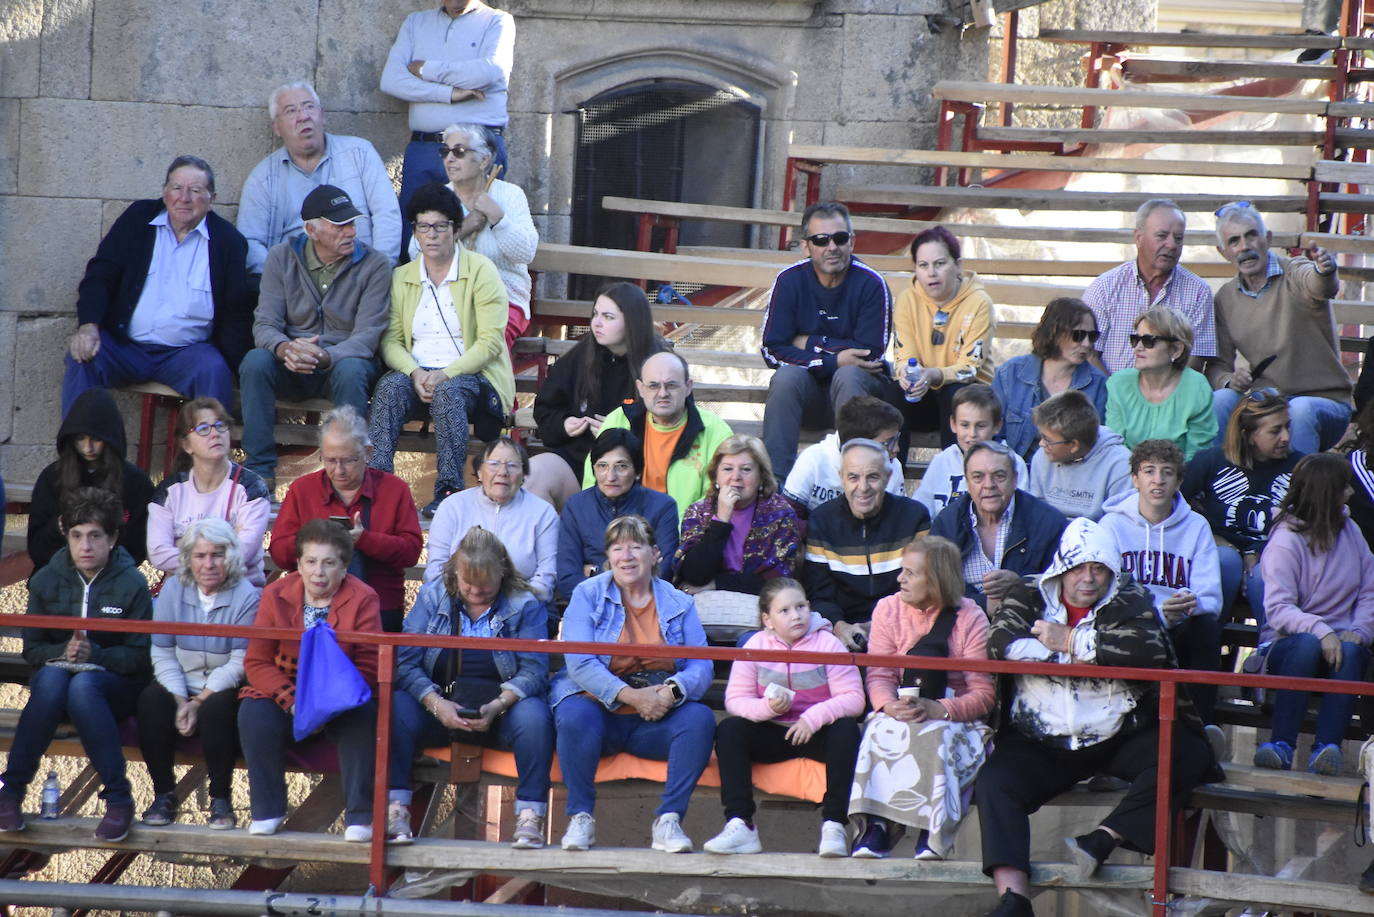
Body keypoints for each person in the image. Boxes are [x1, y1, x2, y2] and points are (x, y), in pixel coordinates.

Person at [975, 517, 1218, 917]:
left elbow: (1148, 650)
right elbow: (1000, 644)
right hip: (1041, 736)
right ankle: (1013, 898)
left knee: (1190, 752)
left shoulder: (1130, 597)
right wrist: (1072, 656)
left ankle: (1103, 838)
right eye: (1079, 568)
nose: (1089, 579)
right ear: (1062, 567)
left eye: (1099, 568)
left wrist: (1069, 639)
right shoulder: (1027, 593)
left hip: (1117, 733)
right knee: (995, 782)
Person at [550, 515, 716, 853]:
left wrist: (671, 693)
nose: (626, 556)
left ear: (655, 554)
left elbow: (702, 664)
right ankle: (580, 816)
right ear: (608, 557)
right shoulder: (587, 594)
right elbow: (579, 662)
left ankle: (669, 820)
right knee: (572, 713)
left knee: (699, 720)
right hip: (601, 713)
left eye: (635, 546)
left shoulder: (679, 602)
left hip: (656, 715)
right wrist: (632, 697)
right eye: (617, 548)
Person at [0, 489, 152, 842]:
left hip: (112, 689)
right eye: (77, 535)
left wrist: (94, 656)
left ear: (112, 538)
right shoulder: (45, 580)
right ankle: (11, 791)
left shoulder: (132, 583)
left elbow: (141, 656)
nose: (85, 546)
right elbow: (33, 649)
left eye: (95, 536)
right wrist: (61, 654)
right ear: (65, 535)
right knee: (53, 678)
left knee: (84, 685)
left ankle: (118, 798)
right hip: (56, 689)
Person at [389, 527, 554, 847]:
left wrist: (499, 704)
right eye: (468, 584)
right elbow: (405, 662)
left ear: (502, 574)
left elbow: (535, 670)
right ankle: (396, 809)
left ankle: (529, 815)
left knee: (534, 716)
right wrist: (436, 703)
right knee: (396, 707)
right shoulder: (433, 595)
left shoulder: (524, 603)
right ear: (455, 572)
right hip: (440, 702)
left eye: (486, 585)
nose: (476, 591)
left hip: (503, 709)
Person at [62, 155, 252, 417]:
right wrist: (89, 325)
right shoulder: (138, 219)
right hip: (124, 346)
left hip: (186, 355)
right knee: (82, 356)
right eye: (176, 188)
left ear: (212, 199)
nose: (184, 198)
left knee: (213, 370)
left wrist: (238, 367)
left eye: (195, 191)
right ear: (165, 193)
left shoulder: (228, 242)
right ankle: (78, 455)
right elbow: (100, 275)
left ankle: (211, 454)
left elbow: (235, 312)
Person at [368, 182, 515, 517]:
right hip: (417, 376)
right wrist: (416, 372)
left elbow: (491, 341)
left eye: (440, 226)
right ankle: (377, 483)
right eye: (423, 226)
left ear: (455, 228)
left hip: (470, 378)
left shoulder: (481, 271)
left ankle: (447, 490)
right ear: (415, 232)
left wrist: (446, 374)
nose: (431, 235)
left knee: (449, 392)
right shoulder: (402, 276)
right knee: (389, 386)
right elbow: (390, 341)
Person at [848, 537, 994, 861]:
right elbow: (879, 675)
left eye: (910, 573)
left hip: (953, 717)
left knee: (937, 734)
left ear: (936, 579)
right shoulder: (887, 609)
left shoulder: (971, 617)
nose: (900, 579)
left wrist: (940, 709)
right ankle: (878, 824)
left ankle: (934, 829)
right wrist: (888, 706)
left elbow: (984, 695)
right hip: (901, 707)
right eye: (902, 571)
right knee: (879, 729)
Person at [237, 519, 381, 840]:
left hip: (341, 694)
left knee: (365, 716)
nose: (319, 572)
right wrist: (294, 703)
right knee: (253, 712)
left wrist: (323, 706)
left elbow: (369, 667)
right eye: (311, 562)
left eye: (329, 563)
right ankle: (267, 810)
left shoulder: (364, 598)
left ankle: (359, 817)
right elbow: (257, 661)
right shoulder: (275, 594)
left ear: (344, 568)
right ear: (299, 565)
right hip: (287, 691)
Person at [238, 185, 391, 485]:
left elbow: (368, 335)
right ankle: (259, 473)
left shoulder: (375, 265)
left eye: (352, 223)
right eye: (339, 225)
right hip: (292, 363)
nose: (349, 232)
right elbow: (265, 324)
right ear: (312, 229)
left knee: (352, 369)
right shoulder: (281, 258)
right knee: (255, 362)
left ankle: (348, 475)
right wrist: (285, 349)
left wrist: (325, 356)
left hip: (343, 364)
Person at [702, 578, 863, 857]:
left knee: (847, 730)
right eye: (785, 611)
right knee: (730, 730)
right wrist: (768, 709)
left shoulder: (829, 644)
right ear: (768, 619)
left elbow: (854, 699)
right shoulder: (754, 646)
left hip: (815, 732)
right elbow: (735, 700)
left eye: (800, 607)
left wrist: (813, 718)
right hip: (773, 730)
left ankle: (834, 824)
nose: (796, 615)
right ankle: (741, 824)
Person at [1254, 453, 1374, 775]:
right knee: (1306, 644)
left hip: (1340, 647)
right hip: (1289, 645)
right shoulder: (1285, 542)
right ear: (1326, 493)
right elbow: (1278, 610)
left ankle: (1327, 749)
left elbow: (1370, 590)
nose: (1350, 493)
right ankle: (1281, 745)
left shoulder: (1352, 532)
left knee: (1351, 649)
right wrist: (1322, 631)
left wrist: (1360, 630)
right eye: (1343, 487)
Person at [136, 518, 259, 830]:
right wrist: (180, 699)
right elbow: (162, 649)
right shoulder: (173, 589)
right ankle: (163, 795)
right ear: (188, 558)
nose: (209, 564)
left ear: (229, 556)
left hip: (222, 683)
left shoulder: (246, 594)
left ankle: (220, 800)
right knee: (152, 699)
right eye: (200, 556)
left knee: (217, 709)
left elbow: (239, 659)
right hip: (180, 679)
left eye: (217, 554)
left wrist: (199, 701)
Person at [759, 201, 893, 481]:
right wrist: (832, 358)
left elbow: (868, 355)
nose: (832, 247)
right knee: (786, 378)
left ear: (852, 242)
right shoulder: (788, 281)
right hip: (809, 394)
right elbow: (772, 350)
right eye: (821, 240)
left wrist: (806, 342)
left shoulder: (871, 283)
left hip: (860, 395)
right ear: (806, 246)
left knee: (848, 374)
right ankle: (775, 488)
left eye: (840, 238)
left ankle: (850, 481)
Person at [1099, 440, 1224, 729]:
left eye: (1167, 472)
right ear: (1135, 478)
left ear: (1179, 481)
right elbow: (1105, 597)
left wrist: (1184, 605)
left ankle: (1200, 729)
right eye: (1149, 471)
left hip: (1180, 624)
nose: (1158, 480)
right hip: (1130, 626)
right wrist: (1156, 613)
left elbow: (1211, 599)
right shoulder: (1111, 526)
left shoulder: (1196, 526)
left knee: (1205, 628)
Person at [1208, 202, 1350, 455]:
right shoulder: (1225, 298)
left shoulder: (1294, 271)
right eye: (1234, 241)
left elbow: (1319, 285)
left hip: (1324, 402)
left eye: (1252, 235)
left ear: (1268, 238)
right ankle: (1219, 487)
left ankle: (1296, 492)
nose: (1245, 247)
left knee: (1300, 411)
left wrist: (1325, 271)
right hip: (1267, 404)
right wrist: (1229, 380)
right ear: (1223, 252)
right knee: (1221, 400)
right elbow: (1218, 365)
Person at [271, 406, 423, 633]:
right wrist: (317, 543)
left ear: (368, 453)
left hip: (379, 607)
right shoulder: (303, 489)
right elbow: (279, 553)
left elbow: (411, 551)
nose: (338, 470)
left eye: (349, 460)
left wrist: (365, 540)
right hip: (312, 606)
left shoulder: (394, 489)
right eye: (330, 460)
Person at [381, 0, 515, 250]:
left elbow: (489, 72)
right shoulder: (416, 22)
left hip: (475, 149)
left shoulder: (498, 20)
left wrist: (425, 68)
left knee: (477, 238)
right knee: (415, 237)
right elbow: (391, 80)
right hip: (425, 147)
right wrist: (451, 94)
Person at [529, 282, 668, 511]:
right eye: (595, 314)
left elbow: (672, 428)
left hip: (638, 468)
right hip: (580, 461)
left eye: (608, 316)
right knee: (534, 475)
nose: (597, 323)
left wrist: (621, 433)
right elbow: (546, 409)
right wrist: (563, 425)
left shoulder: (658, 363)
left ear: (632, 321)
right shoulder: (582, 354)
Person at [237, 81, 401, 274]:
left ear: (322, 116)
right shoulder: (263, 178)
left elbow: (387, 215)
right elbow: (250, 241)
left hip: (360, 276)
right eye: (291, 111)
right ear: (276, 128)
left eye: (309, 107)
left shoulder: (360, 153)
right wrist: (285, 282)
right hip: (293, 285)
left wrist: (375, 272)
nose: (303, 117)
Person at [405, 123, 537, 352]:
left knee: (485, 336)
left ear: (484, 160)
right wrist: (462, 229)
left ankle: (488, 387)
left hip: (503, 297)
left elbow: (525, 253)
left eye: (459, 152)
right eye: (445, 152)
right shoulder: (439, 196)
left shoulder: (510, 195)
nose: (450, 159)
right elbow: (416, 253)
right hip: (446, 296)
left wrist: (498, 218)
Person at [1183, 391, 1299, 627]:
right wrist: (1222, 543)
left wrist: (1256, 551)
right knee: (1225, 560)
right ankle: (1207, 644)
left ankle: (1271, 650)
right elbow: (1175, 509)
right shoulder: (1210, 461)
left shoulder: (1300, 466)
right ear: (1249, 435)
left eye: (1288, 427)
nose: (1286, 437)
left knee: (1264, 577)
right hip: (1220, 551)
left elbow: (1304, 523)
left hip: (1276, 554)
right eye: (1275, 431)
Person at [804, 439, 932, 650]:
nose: (862, 488)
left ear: (888, 477)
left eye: (873, 477)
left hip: (903, 627)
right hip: (842, 632)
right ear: (841, 478)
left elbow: (923, 586)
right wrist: (840, 627)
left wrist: (880, 625)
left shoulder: (914, 516)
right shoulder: (822, 520)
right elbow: (820, 594)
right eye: (853, 477)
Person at [584, 350, 734, 521]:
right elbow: (593, 482)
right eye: (653, 385)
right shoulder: (619, 420)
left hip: (687, 535)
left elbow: (717, 496)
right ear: (641, 388)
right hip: (621, 534)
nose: (663, 393)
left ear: (688, 387)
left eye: (671, 385)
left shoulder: (716, 431)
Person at [147, 397, 272, 588]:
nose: (215, 434)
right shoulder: (169, 491)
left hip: (238, 591)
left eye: (220, 426)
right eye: (203, 429)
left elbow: (243, 552)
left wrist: (184, 550)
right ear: (186, 445)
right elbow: (158, 553)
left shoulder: (250, 487)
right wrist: (221, 550)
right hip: (184, 590)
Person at [929, 441, 1067, 610]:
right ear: (967, 482)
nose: (989, 485)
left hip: (1029, 619)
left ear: (1015, 479)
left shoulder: (1048, 522)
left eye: (999, 475)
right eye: (978, 477)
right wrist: (982, 605)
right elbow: (935, 584)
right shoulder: (947, 523)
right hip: (962, 621)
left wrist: (1021, 584)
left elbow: (1065, 584)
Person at [1084, 198, 1215, 376]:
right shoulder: (1105, 287)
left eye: (1178, 238)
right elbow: (1090, 355)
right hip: (1108, 396)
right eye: (1162, 236)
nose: (1171, 245)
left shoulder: (1198, 292)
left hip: (1171, 398)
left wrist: (1162, 397)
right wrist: (1116, 394)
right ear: (1138, 238)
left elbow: (1196, 359)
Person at [27, 387, 153, 570]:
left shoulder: (135, 482)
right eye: (80, 439)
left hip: (112, 579)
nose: (88, 448)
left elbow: (137, 547)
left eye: (96, 439)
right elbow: (36, 547)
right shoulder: (52, 478)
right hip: (57, 575)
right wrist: (59, 527)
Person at [893, 225, 995, 447]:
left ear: (958, 266)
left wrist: (934, 374)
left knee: (954, 394)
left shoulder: (979, 302)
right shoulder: (906, 300)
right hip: (924, 393)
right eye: (923, 265)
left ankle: (958, 475)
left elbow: (970, 367)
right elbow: (904, 357)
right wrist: (907, 375)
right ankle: (891, 473)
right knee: (892, 392)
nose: (931, 273)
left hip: (970, 396)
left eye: (940, 264)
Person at [425, 437, 559, 603]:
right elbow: (435, 570)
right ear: (480, 472)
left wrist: (515, 606)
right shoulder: (452, 507)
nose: (503, 472)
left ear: (523, 475)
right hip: (456, 603)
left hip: (521, 608)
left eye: (512, 465)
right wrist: (464, 603)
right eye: (494, 463)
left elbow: (546, 576)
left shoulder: (542, 512)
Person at [557, 428, 679, 602]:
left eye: (621, 466)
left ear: (637, 471)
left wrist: (595, 571)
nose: (610, 476)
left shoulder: (662, 507)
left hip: (645, 606)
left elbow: (663, 573)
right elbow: (568, 576)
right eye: (602, 466)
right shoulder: (576, 507)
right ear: (593, 469)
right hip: (591, 607)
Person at [675, 435, 801, 596]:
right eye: (727, 469)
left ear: (761, 476)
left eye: (746, 469)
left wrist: (717, 584)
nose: (736, 477)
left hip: (761, 604)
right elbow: (693, 576)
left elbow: (777, 580)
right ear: (716, 477)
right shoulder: (698, 512)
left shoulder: (781, 513)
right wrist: (720, 520)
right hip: (705, 603)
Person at [992, 297, 1108, 460]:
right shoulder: (1010, 374)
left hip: (1068, 475)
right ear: (1054, 333)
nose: (1087, 343)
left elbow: (1098, 446)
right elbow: (994, 434)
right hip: (1014, 472)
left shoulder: (1098, 384)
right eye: (1078, 335)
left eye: (1092, 336)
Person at [1105, 306, 1216, 461]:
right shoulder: (1119, 384)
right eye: (1135, 339)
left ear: (1176, 350)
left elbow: (1197, 455)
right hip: (1127, 477)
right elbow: (1115, 448)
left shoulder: (1196, 387)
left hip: (1180, 478)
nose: (1138, 348)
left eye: (1148, 341)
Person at [914, 384, 1028, 518]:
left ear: (997, 426)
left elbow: (1022, 514)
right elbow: (921, 511)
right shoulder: (942, 461)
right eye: (965, 425)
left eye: (980, 426)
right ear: (953, 424)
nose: (972, 434)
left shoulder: (1013, 463)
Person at [782, 395, 906, 518]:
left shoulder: (891, 465)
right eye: (888, 442)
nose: (896, 449)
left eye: (896, 439)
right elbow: (789, 518)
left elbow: (897, 520)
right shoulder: (813, 459)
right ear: (859, 444)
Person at [1026, 390, 1131, 522]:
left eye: (1048, 439)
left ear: (1074, 445)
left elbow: (1118, 521)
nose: (1041, 444)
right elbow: (1038, 511)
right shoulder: (1043, 456)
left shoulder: (1119, 464)